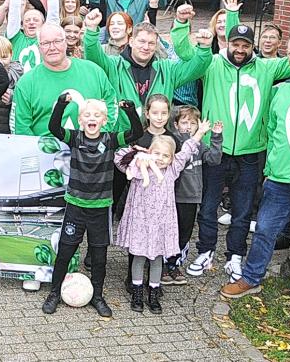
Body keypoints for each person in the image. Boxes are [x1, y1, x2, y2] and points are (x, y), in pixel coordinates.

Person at [180, 0, 290, 282]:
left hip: (251, 152)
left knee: (242, 208)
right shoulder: (212, 64)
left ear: (253, 47)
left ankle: (235, 255)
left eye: (246, 45)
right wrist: (181, 24)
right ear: (227, 43)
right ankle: (205, 251)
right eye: (235, 44)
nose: (240, 49)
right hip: (216, 148)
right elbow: (185, 53)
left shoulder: (266, 68)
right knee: (209, 206)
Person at [220, 33, 290, 321]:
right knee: (264, 230)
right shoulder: (280, 92)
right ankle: (251, 278)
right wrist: (272, 166)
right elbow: (272, 131)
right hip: (280, 179)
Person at [42, 94, 142, 318]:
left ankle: (97, 296)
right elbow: (54, 127)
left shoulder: (111, 139)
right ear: (80, 120)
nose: (92, 118)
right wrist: (61, 104)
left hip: (100, 208)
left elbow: (136, 133)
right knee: (65, 252)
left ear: (104, 120)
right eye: (87, 115)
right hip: (75, 206)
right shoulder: (74, 137)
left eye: (97, 115)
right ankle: (54, 293)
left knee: (99, 257)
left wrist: (130, 111)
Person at [115, 127, 206, 314]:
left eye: (166, 155)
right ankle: (137, 292)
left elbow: (186, 150)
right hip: (140, 222)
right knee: (138, 257)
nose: (160, 158)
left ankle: (153, 293)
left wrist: (199, 134)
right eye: (156, 153)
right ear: (150, 152)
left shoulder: (172, 170)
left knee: (157, 259)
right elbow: (118, 157)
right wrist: (137, 152)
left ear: (172, 158)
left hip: (161, 224)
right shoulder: (138, 168)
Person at [82, 9, 212, 131]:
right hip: (122, 138)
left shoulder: (167, 69)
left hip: (156, 138)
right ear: (131, 41)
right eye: (142, 41)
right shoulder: (114, 66)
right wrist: (92, 29)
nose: (146, 47)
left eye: (151, 43)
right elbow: (94, 57)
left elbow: (196, 68)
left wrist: (204, 48)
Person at [11, 24, 118, 137]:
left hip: (91, 147)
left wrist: (97, 137)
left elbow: (111, 104)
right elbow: (20, 127)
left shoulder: (94, 71)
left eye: (57, 41)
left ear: (66, 42)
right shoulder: (26, 83)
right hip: (44, 146)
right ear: (39, 47)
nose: (52, 47)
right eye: (45, 43)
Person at [163, 106, 223, 285]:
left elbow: (214, 159)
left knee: (184, 233)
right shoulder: (173, 141)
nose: (188, 126)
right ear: (176, 125)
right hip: (172, 196)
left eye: (192, 123)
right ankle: (163, 264)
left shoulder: (200, 145)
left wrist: (216, 137)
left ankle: (175, 264)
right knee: (168, 231)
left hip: (191, 197)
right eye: (184, 122)